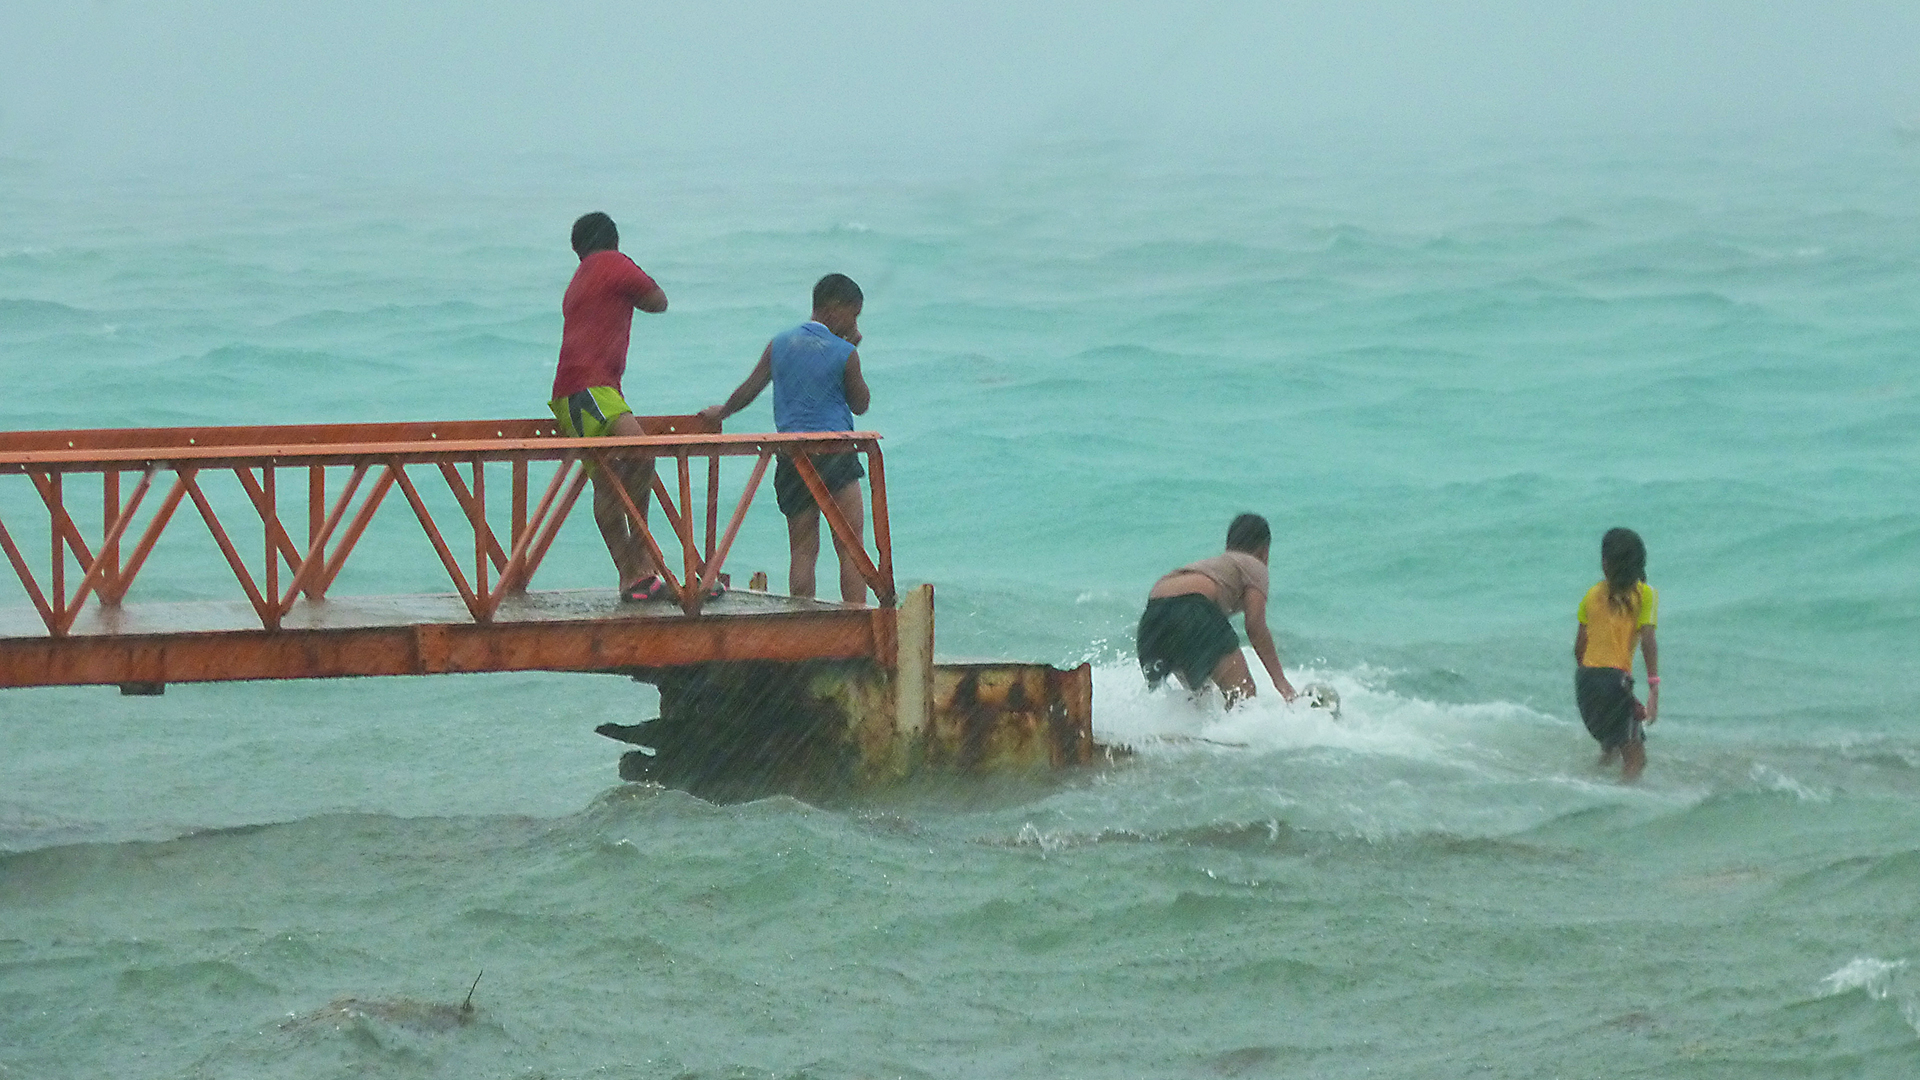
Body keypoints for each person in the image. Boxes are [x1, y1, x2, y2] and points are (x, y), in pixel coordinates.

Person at [700, 274, 872, 602]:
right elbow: (860, 405)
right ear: (836, 310)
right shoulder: (844, 352)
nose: (855, 322)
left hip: (792, 458)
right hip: (834, 454)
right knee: (850, 546)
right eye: (855, 313)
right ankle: (856, 620)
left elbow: (751, 388)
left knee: (803, 550)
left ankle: (803, 621)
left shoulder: (780, 344)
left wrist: (721, 413)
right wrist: (852, 351)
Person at [549, 212, 672, 601]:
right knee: (642, 456)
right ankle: (641, 559)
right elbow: (658, 300)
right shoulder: (611, 263)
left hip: (570, 394)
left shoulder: (578, 278)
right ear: (613, 240)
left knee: (606, 480)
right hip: (592, 387)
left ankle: (630, 577)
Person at [1137, 513, 1297, 707]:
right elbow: (1255, 627)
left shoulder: (1216, 566)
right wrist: (1282, 684)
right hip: (1191, 609)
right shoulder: (1254, 565)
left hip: (1152, 619)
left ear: (1228, 545)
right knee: (1243, 698)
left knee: (1199, 699)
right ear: (1265, 551)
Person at [1574, 527, 1661, 781]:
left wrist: (1592, 680)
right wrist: (1653, 687)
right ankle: (1620, 804)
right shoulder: (1645, 595)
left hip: (1585, 680)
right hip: (1614, 680)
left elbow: (1579, 647)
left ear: (1604, 565)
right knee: (1636, 758)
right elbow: (1647, 639)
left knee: (1610, 747)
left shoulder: (1591, 595)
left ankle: (1589, 784)